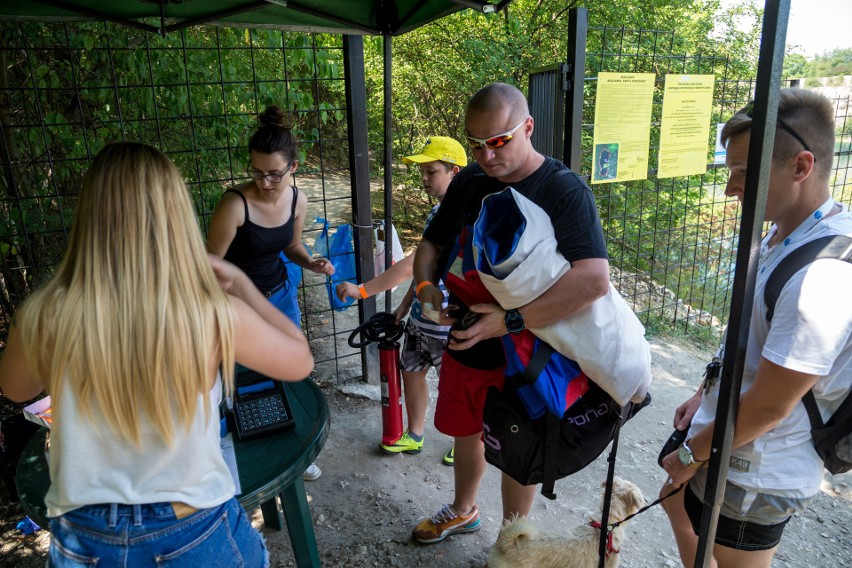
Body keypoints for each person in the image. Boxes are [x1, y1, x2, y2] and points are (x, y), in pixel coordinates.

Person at [0, 142, 314, 567]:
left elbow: (15, 388)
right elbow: (300, 362)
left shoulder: (43, 312)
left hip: (83, 534)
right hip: (191, 525)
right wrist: (240, 283)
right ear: (173, 215)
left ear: (91, 215)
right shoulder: (206, 311)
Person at [410, 82, 612, 543]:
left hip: (528, 348)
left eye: (498, 142)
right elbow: (431, 244)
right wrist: (425, 290)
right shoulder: (470, 181)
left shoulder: (562, 190)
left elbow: (593, 280)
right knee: (467, 430)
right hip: (465, 335)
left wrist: (508, 321)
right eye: (476, 144)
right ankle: (463, 510)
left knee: (520, 444)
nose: (486, 156)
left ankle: (510, 543)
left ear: (529, 127)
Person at [659, 89, 852, 568]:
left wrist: (690, 456)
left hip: (757, 468)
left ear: (801, 167)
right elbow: (754, 340)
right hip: (733, 443)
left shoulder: (823, 276)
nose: (730, 189)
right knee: (675, 502)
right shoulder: (783, 231)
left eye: (743, 173)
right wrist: (705, 395)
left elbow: (769, 406)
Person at [207, 105, 333, 481]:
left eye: (274, 174)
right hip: (236, 304)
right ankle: (232, 453)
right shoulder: (234, 204)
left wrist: (311, 263)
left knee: (289, 370)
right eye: (257, 173)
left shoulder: (298, 199)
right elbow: (210, 265)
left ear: (293, 167)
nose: (265, 182)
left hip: (278, 294)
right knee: (234, 379)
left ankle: (294, 447)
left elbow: (292, 246)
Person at [336, 136, 466, 463]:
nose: (424, 178)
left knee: (454, 387)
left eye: (431, 171)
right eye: (422, 171)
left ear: (455, 171)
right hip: (423, 317)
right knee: (412, 370)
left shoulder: (460, 214)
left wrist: (363, 290)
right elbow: (426, 267)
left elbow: (411, 263)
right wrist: (407, 303)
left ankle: (463, 442)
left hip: (449, 322)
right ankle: (415, 434)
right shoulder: (440, 211)